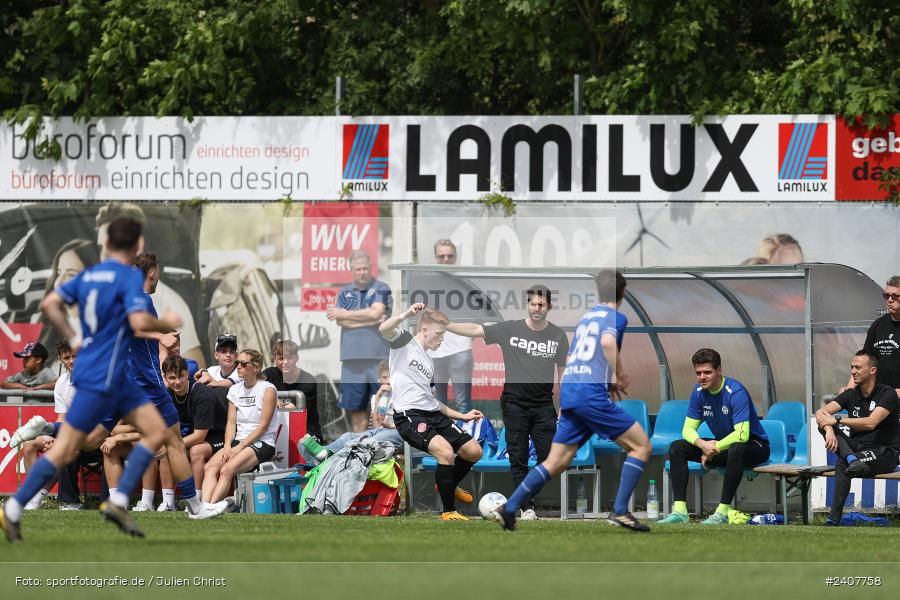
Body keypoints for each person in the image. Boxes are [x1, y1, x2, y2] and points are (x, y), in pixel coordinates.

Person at [0, 217, 200, 543]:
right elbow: (136, 321)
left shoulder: (90, 275)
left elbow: (50, 303)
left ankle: (15, 505)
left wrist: (73, 337)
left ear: (106, 244)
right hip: (112, 376)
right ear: (136, 245)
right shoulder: (127, 278)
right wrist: (164, 325)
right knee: (154, 433)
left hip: (95, 372)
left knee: (85, 442)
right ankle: (120, 501)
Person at [492, 270, 652, 532]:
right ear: (622, 294)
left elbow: (581, 359)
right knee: (641, 446)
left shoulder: (586, 319)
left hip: (572, 393)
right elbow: (608, 343)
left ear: (598, 292)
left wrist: (606, 382)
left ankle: (509, 509)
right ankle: (621, 511)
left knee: (556, 461)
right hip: (590, 395)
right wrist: (620, 375)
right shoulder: (616, 317)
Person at [446, 285, 569, 520]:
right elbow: (476, 329)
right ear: (528, 305)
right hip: (514, 404)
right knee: (518, 459)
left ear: (549, 307)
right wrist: (446, 325)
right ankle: (526, 507)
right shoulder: (510, 329)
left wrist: (566, 403)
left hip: (544, 405)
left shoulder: (557, 335)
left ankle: (522, 498)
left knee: (551, 459)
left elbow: (563, 372)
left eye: (541, 305)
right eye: (533, 304)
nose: (536, 308)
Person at [124, 251, 228, 519]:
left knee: (93, 435)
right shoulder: (141, 297)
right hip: (148, 381)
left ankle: (45, 428)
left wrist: (161, 334)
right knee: (174, 444)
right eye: (157, 272)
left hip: (132, 381)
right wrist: (160, 336)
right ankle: (195, 508)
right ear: (152, 272)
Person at [379, 303, 484, 521]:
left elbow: (433, 402)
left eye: (443, 335)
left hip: (432, 414)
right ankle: (448, 511)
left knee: (473, 451)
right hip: (409, 415)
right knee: (445, 452)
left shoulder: (429, 361)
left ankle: (448, 483)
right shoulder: (404, 342)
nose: (442, 339)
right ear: (424, 330)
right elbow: (384, 328)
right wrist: (407, 314)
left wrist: (463, 415)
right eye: (439, 334)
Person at [658, 348, 770, 525]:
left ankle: (722, 513)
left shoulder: (736, 391)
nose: (702, 377)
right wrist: (702, 445)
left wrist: (715, 447)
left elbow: (742, 435)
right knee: (677, 447)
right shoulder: (698, 392)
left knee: (736, 448)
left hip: (755, 447)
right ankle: (680, 512)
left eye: (707, 372)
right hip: (723, 448)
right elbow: (687, 430)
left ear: (719, 370)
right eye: (698, 373)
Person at [95, 202, 205, 368]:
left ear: (138, 244)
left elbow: (195, 367)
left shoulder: (169, 302)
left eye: (113, 245)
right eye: (101, 247)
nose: (105, 255)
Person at [815, 350, 900, 525]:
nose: (853, 371)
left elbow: (871, 423)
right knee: (822, 425)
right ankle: (852, 460)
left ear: (872, 370)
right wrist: (829, 428)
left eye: (858, 367)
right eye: (852, 367)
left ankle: (833, 519)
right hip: (856, 450)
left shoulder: (888, 393)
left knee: (841, 463)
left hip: (884, 453)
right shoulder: (850, 394)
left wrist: (837, 419)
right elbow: (821, 412)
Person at [327, 250, 393, 432]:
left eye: (365, 268)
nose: (361, 272)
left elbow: (376, 312)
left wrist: (346, 314)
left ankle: (380, 446)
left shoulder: (381, 288)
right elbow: (340, 321)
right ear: (351, 270)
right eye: (357, 269)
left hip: (377, 357)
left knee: (380, 406)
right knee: (356, 409)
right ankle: (360, 447)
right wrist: (370, 319)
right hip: (351, 359)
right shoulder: (344, 292)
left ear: (371, 268)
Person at [201, 349, 278, 504]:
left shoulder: (268, 389)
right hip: (239, 442)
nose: (238, 366)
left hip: (262, 442)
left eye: (243, 363)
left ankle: (210, 508)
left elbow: (263, 427)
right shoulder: (234, 389)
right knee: (209, 467)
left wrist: (239, 447)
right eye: (237, 363)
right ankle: (204, 506)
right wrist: (227, 446)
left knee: (226, 470)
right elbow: (231, 423)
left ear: (256, 368)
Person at [299, 360, 403, 463]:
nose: (388, 381)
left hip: (398, 433)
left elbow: (406, 426)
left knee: (373, 440)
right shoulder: (376, 397)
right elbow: (377, 426)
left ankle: (333, 460)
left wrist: (391, 426)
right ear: (379, 380)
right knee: (349, 436)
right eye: (384, 377)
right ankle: (325, 451)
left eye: (391, 377)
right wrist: (378, 398)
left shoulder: (402, 397)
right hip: (380, 430)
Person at [163, 355, 228, 489]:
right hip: (195, 434)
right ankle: (167, 499)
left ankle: (196, 497)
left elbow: (199, 436)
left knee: (196, 451)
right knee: (164, 452)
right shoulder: (166, 395)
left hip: (220, 436)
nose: (177, 382)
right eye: (172, 378)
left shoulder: (202, 394)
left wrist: (171, 445)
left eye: (181, 376)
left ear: (188, 374)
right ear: (165, 378)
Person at [429, 239, 474, 414]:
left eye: (450, 256)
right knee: (437, 405)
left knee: (463, 405)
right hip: (434, 352)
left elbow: (480, 311)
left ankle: (466, 433)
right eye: (441, 256)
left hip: (460, 349)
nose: (446, 259)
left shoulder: (466, 280)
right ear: (435, 258)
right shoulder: (426, 281)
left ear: (455, 257)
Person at [846, 276, 900, 397]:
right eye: (886, 296)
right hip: (878, 396)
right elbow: (863, 361)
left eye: (895, 296)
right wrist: (848, 391)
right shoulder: (878, 325)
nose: (890, 300)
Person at [262, 340, 324, 441]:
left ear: (297, 358)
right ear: (274, 359)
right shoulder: (269, 374)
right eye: (281, 358)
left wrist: (271, 401)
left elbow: (292, 409)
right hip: (275, 431)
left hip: (306, 431)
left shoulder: (308, 380)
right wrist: (274, 400)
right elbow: (255, 387)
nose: (285, 362)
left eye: (289, 358)